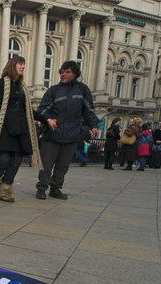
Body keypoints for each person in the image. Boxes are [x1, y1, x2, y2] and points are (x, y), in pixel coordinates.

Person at [0, 56, 55, 202]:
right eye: (20, 64)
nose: (23, 67)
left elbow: (28, 110)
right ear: (12, 65)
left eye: (24, 65)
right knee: (3, 161)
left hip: (20, 129)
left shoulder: (23, 88)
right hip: (4, 129)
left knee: (16, 162)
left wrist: (46, 119)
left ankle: (5, 192)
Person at [35, 60, 100, 200]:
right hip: (52, 134)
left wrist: (94, 125)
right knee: (46, 165)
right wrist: (48, 119)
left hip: (72, 134)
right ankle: (41, 188)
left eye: (67, 72)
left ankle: (55, 188)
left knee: (63, 165)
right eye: (61, 72)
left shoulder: (82, 90)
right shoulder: (53, 90)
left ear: (75, 74)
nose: (63, 74)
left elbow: (88, 110)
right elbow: (43, 109)